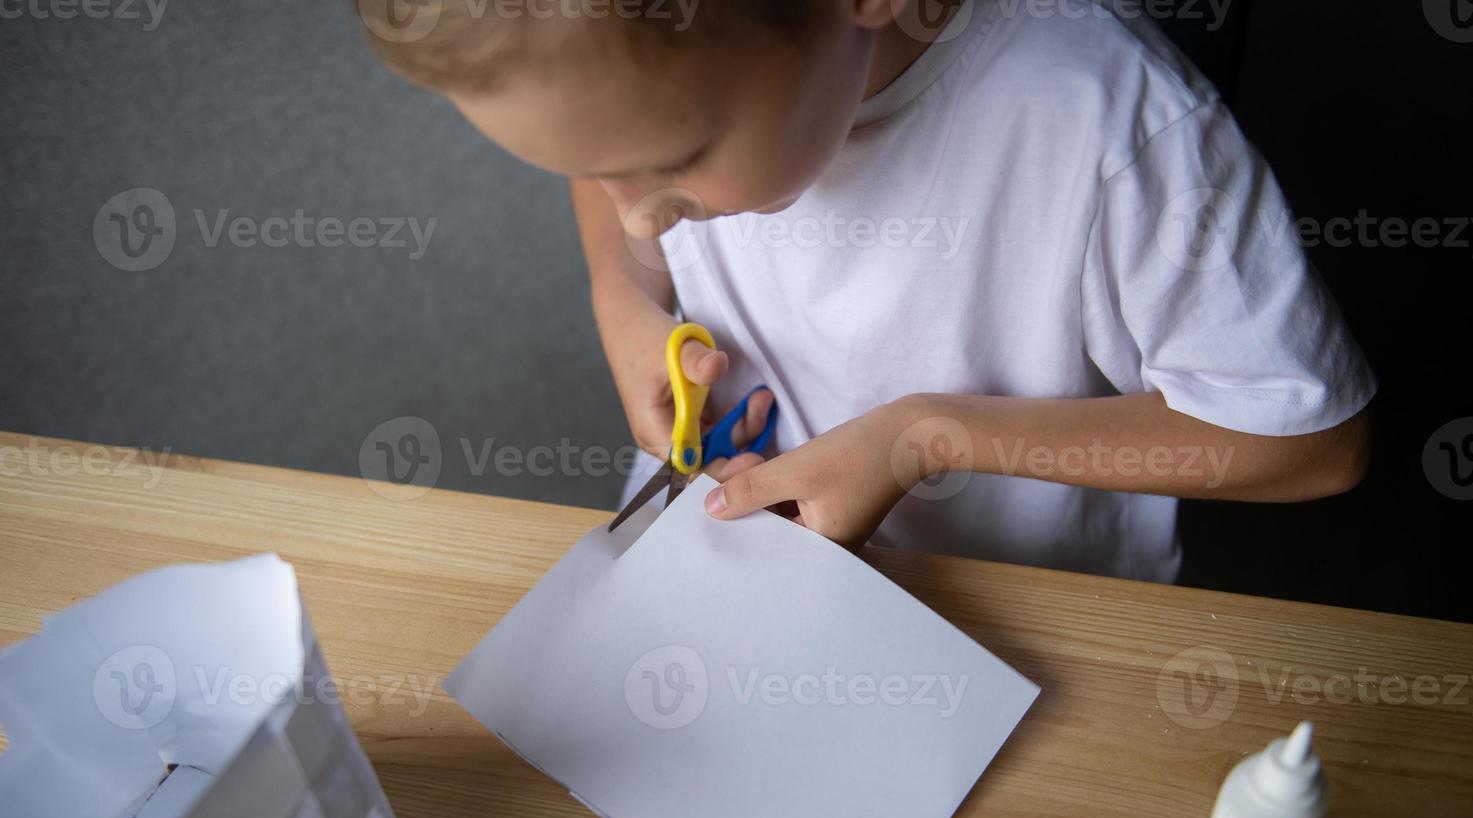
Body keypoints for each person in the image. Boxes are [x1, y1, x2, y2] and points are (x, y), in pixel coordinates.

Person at [361, 0, 1374, 582]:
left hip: (1013, 618)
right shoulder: (650, 102)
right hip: (726, 565)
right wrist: (620, 294)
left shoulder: (1110, 126)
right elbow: (608, 176)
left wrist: (924, 436)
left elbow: (1311, 439)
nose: (639, 217)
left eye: (675, 160)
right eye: (590, 169)